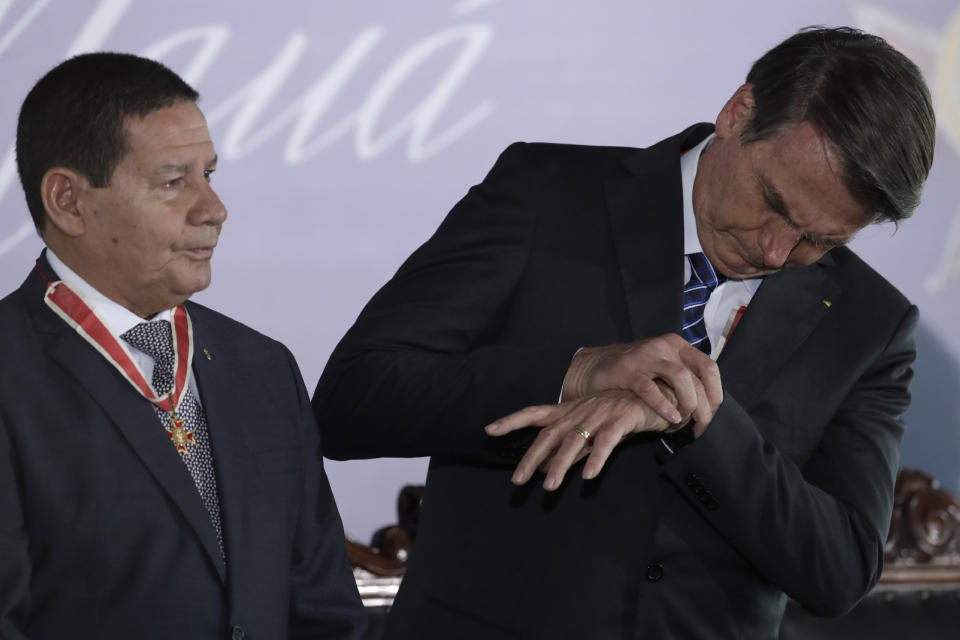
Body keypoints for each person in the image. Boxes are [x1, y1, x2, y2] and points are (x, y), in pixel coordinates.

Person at [313, 26, 935, 640]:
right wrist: (573, 374)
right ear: (739, 113)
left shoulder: (870, 324)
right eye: (773, 202)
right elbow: (350, 399)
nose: (777, 251)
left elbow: (841, 571)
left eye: (820, 240)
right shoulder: (546, 194)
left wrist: (706, 425)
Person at [0, 53, 365, 639]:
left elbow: (324, 612)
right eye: (174, 182)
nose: (214, 210)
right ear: (68, 201)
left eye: (209, 175)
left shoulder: (262, 367)